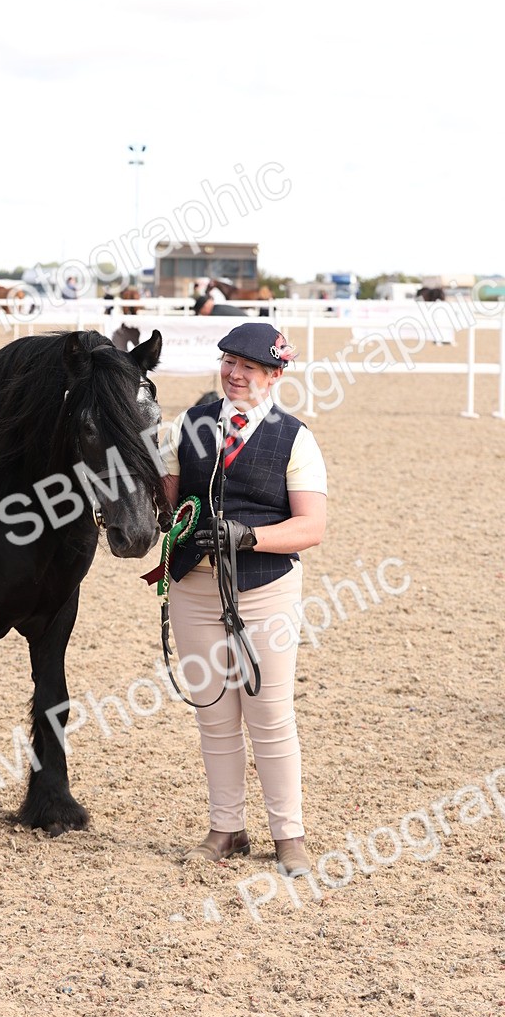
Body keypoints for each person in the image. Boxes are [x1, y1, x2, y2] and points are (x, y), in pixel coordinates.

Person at [160, 322, 327, 877]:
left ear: (275, 376)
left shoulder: (295, 438)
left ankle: (289, 835)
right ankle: (226, 826)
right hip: (194, 589)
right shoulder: (188, 426)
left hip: (265, 589)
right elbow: (169, 505)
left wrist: (249, 536)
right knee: (213, 713)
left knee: (270, 713)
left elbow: (311, 527)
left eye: (248, 367)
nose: (233, 373)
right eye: (229, 361)